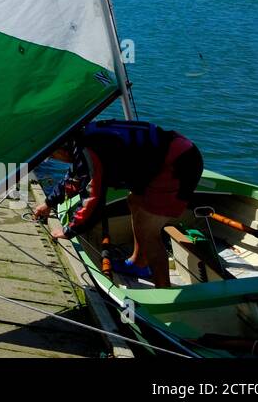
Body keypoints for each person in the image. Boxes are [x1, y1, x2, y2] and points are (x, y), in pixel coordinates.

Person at [34, 119, 204, 288]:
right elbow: (75, 178)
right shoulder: (81, 139)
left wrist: (69, 231)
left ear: (61, 150)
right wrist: (49, 203)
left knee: (148, 231)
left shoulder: (89, 149)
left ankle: (163, 288)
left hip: (178, 163)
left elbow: (93, 200)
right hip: (169, 155)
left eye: (53, 156)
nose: (57, 160)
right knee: (135, 201)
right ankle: (139, 263)